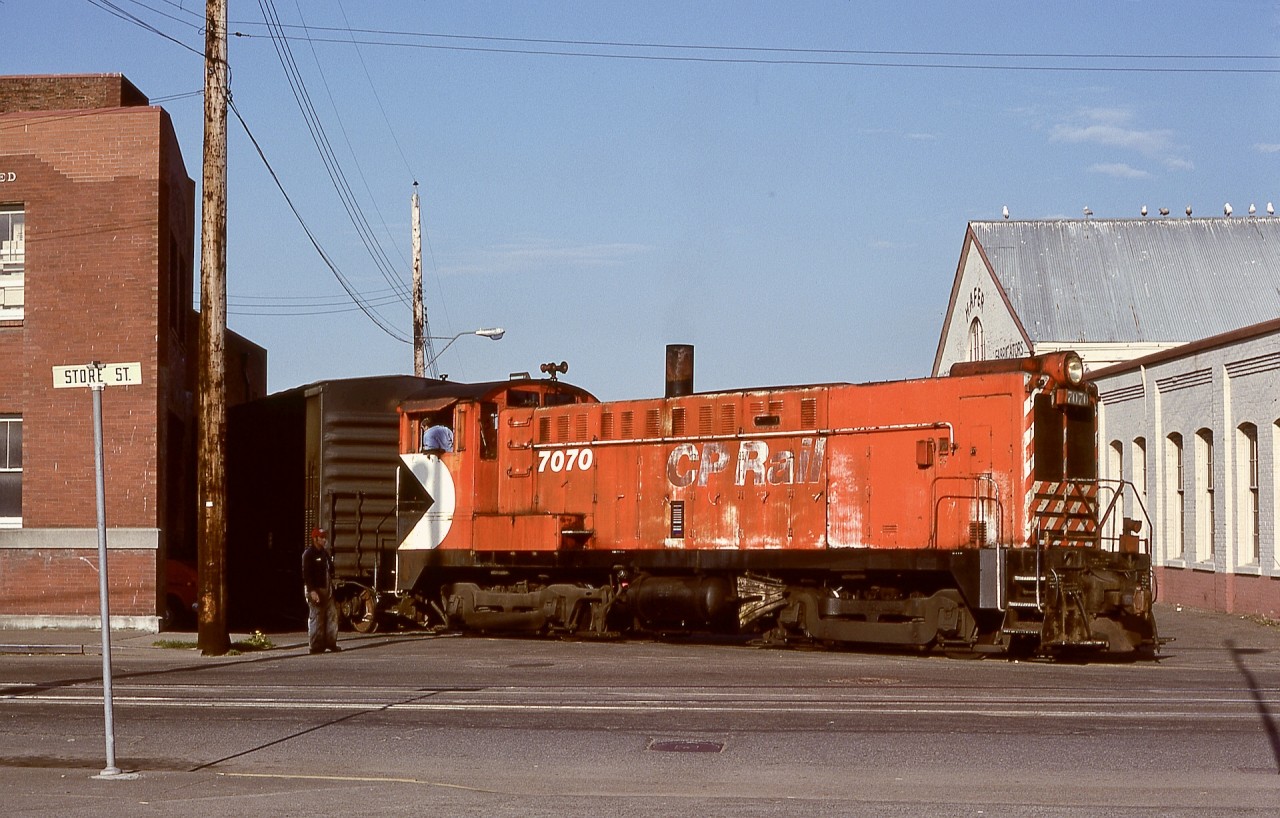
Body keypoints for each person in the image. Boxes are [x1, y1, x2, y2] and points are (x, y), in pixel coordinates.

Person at [302, 527, 340, 654]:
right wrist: (312, 591)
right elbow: (307, 574)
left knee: (331, 616)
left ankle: (331, 643)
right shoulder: (308, 554)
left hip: (327, 590)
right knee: (316, 617)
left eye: (325, 537)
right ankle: (315, 646)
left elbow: (330, 571)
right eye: (322, 538)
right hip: (315, 590)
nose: (324, 540)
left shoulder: (325, 554)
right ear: (315, 539)